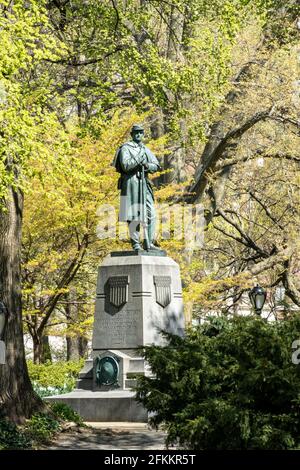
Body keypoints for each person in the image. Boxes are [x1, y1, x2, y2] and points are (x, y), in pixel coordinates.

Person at [112, 124, 161, 251]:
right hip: (131, 183)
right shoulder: (125, 148)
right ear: (132, 135)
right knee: (133, 214)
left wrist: (147, 165)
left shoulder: (145, 149)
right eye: (136, 133)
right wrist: (139, 159)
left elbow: (156, 165)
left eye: (141, 133)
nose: (139, 135)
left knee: (151, 213)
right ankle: (135, 244)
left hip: (144, 183)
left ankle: (148, 242)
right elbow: (126, 165)